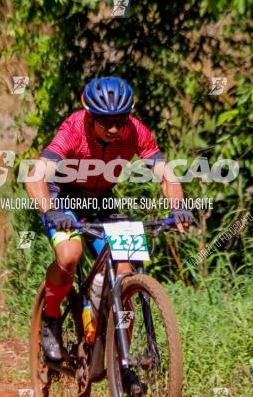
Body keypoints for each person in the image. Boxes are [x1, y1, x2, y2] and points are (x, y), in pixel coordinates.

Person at [23, 77, 194, 365]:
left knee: (125, 271)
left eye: (120, 119)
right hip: (63, 198)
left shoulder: (136, 131)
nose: (114, 128)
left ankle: (120, 362)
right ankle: (51, 318)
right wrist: (50, 210)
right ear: (90, 116)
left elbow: (167, 174)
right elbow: (34, 175)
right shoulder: (73, 129)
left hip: (102, 199)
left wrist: (177, 207)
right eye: (105, 121)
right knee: (69, 255)